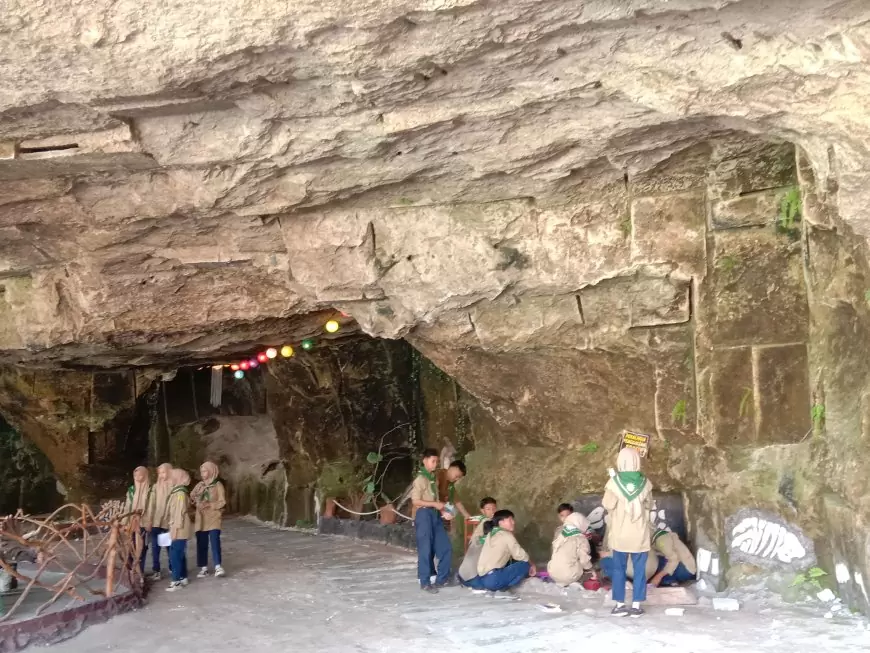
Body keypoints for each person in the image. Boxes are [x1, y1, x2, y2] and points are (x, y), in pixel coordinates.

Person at [602, 447, 653, 618]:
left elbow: (607, 504)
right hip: (640, 535)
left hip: (620, 535)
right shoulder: (645, 483)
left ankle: (620, 605)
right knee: (640, 570)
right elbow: (649, 505)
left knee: (619, 569)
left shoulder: (613, 483)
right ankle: (637, 606)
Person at [411, 448, 451, 593]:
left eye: (436, 461)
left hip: (435, 515)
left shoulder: (433, 477)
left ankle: (441, 580)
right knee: (425, 549)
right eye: (433, 461)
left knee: (445, 547)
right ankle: (425, 581)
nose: (435, 464)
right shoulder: (420, 479)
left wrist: (443, 511)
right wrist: (435, 505)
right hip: (423, 515)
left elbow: (436, 499)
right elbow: (416, 501)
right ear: (425, 461)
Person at [476, 509, 536, 592]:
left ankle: (501, 585)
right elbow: (520, 555)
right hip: (494, 579)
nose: (513, 522)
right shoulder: (506, 534)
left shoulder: (491, 533)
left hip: (482, 579)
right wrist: (532, 564)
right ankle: (506, 587)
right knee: (525, 564)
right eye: (510, 520)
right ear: (501, 522)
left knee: (511, 564)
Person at [192, 461, 226, 578]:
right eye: (201, 471)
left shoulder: (218, 485)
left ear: (211, 471)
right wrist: (197, 500)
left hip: (213, 516)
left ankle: (218, 566)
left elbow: (222, 501)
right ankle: (204, 567)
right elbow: (192, 496)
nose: (202, 473)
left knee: (215, 540)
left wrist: (210, 505)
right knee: (201, 542)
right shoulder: (200, 485)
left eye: (205, 471)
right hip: (201, 518)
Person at [547, 510, 594, 587]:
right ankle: (574, 580)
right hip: (569, 575)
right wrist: (591, 570)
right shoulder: (581, 538)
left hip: (552, 574)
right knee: (582, 559)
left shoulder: (560, 535)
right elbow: (584, 560)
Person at [458, 497, 497, 586]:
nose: (492, 511)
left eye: (494, 508)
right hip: (473, 578)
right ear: (483, 511)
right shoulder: (487, 523)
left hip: (463, 575)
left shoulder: (483, 521)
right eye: (488, 509)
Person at [166, 468, 192, 592]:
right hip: (177, 526)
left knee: (175, 554)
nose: (169, 479)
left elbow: (179, 512)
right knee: (179, 553)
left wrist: (175, 529)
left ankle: (176, 581)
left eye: (172, 477)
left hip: (179, 527)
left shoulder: (180, 493)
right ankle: (183, 577)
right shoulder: (176, 492)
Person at [123, 466, 152, 575]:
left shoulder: (150, 490)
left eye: (140, 475)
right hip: (132, 523)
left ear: (145, 475)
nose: (137, 477)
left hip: (143, 523)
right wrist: (125, 523)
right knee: (130, 547)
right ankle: (131, 571)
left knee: (142, 548)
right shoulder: (131, 490)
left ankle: (140, 571)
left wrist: (149, 521)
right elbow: (127, 507)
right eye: (135, 475)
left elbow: (152, 507)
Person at [147, 463, 173, 581]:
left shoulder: (174, 486)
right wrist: (149, 520)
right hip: (156, 523)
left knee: (168, 546)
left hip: (167, 522)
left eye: (164, 472)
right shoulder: (155, 487)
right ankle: (156, 570)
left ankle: (173, 568)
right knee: (155, 548)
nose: (162, 475)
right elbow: (151, 505)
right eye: (160, 473)